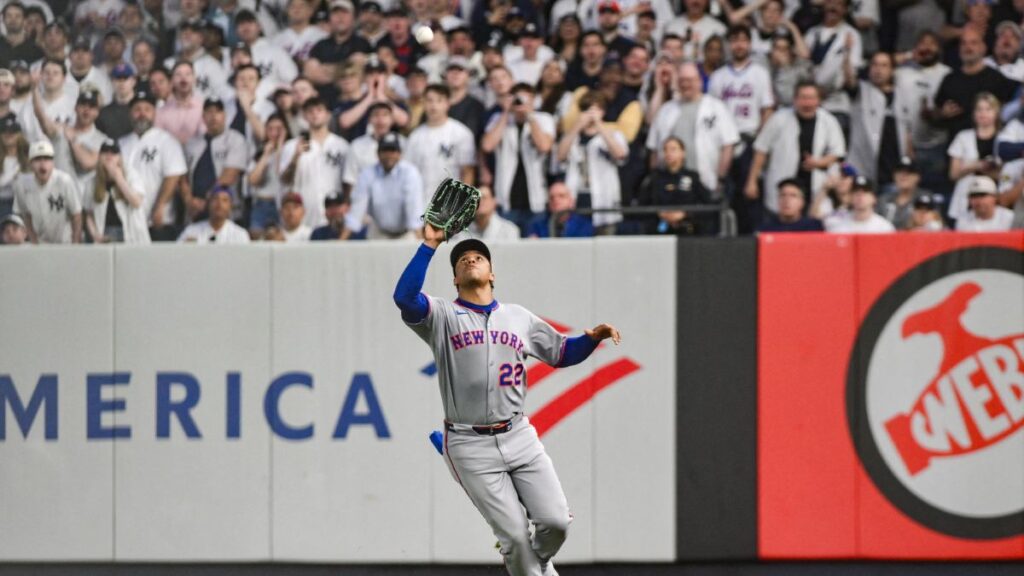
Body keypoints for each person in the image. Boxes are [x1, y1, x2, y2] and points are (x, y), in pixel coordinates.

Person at [393, 228, 621, 576]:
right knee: (514, 538)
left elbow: (561, 352)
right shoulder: (441, 316)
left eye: (479, 257)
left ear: (492, 273)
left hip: (518, 434)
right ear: (455, 279)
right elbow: (405, 298)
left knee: (556, 522)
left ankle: (535, 563)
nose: (471, 258)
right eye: (463, 259)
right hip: (469, 443)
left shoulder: (518, 317)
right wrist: (431, 245)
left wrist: (591, 339)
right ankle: (526, 562)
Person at [746, 81, 846, 225]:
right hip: (782, 183)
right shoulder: (779, 118)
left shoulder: (828, 121)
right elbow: (761, 149)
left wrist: (818, 163)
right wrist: (752, 181)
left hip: (815, 188)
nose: (807, 103)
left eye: (811, 98)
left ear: (819, 100)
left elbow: (837, 153)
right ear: (795, 99)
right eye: (803, 98)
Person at [646, 62, 738, 198]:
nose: (686, 84)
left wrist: (720, 178)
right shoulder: (666, 109)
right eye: (682, 80)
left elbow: (728, 146)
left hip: (705, 183)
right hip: (670, 185)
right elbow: (654, 148)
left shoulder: (716, 107)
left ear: (700, 81)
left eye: (690, 80)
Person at [482, 82, 556, 234]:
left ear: (534, 100)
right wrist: (506, 113)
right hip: (507, 199)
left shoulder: (543, 119)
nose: (520, 103)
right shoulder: (499, 119)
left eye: (525, 99)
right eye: (517, 99)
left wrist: (530, 115)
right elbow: (487, 145)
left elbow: (544, 146)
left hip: (536, 200)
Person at [119, 89, 188, 241]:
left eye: (147, 109)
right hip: (128, 221)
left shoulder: (166, 141)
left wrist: (160, 206)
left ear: (154, 113)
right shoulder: (122, 143)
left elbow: (173, 176)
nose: (142, 114)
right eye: (137, 109)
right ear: (130, 113)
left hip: (158, 221)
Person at [557, 90, 628, 234]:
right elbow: (560, 156)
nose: (590, 114)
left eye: (595, 109)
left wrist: (599, 125)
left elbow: (620, 154)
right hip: (577, 198)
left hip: (604, 199)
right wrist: (577, 126)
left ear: (603, 111)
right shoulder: (572, 137)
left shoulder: (613, 134)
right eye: (586, 109)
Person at [280, 96, 350, 228]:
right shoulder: (292, 146)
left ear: (328, 115)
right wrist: (296, 156)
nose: (315, 114)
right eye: (310, 111)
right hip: (304, 214)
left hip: (334, 213)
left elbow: (348, 183)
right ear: (305, 116)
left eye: (319, 110)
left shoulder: (342, 146)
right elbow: (284, 180)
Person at [345, 132, 424, 239]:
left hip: (406, 234)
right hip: (378, 232)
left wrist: (422, 246)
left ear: (399, 154)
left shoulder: (410, 173)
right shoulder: (368, 173)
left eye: (392, 151)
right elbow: (356, 211)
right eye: (385, 151)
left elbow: (414, 210)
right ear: (377, 154)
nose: (389, 155)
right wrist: (341, 241)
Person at [406, 84, 476, 203]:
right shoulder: (415, 137)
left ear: (448, 104)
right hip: (420, 203)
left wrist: (459, 206)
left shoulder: (461, 133)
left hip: (450, 205)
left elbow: (467, 172)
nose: (434, 106)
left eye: (439, 100)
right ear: (423, 103)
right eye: (429, 100)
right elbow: (409, 174)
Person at [182, 97, 248, 223]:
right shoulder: (192, 142)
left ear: (224, 115)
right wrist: (189, 200)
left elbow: (230, 175)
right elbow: (182, 177)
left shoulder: (235, 139)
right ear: (203, 116)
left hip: (225, 211)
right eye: (209, 112)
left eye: (218, 112)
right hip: (195, 211)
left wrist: (207, 201)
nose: (213, 116)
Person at [947, 92, 1002, 223]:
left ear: (996, 113)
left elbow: (1008, 174)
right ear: (974, 113)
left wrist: (989, 170)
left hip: (996, 195)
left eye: (988, 109)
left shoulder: (1005, 138)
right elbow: (953, 174)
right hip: (966, 194)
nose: (983, 113)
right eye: (979, 109)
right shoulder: (963, 137)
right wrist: (976, 166)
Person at [642, 136, 715, 236]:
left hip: (688, 230)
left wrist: (685, 214)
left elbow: (708, 204)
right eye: (665, 149)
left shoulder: (693, 177)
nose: (668, 153)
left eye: (673, 149)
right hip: (659, 228)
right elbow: (643, 204)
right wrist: (660, 213)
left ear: (683, 153)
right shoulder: (655, 178)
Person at [14, 140, 83, 244]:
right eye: (37, 159)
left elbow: (76, 215)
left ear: (53, 162)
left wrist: (75, 243)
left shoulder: (64, 181)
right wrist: (34, 241)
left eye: (47, 159)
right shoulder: (22, 185)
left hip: (65, 243)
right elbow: (25, 215)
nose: (42, 164)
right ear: (30, 163)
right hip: (40, 244)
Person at [84, 139, 151, 244]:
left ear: (119, 157)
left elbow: (137, 202)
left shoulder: (131, 175)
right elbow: (89, 214)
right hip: (105, 232)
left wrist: (118, 178)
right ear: (99, 156)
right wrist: (95, 235)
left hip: (131, 234)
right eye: (105, 152)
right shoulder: (92, 182)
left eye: (114, 152)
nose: (109, 156)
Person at [247, 113, 291, 237]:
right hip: (261, 202)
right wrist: (265, 155)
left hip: (282, 204)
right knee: (256, 239)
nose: (274, 133)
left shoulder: (290, 150)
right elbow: (253, 180)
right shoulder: (259, 153)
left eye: (278, 129)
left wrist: (279, 148)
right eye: (270, 129)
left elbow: (280, 173)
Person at [177, 184, 251, 243]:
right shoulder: (192, 231)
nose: (219, 204)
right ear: (209, 204)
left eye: (224, 200)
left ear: (230, 206)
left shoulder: (240, 234)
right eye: (215, 199)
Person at [823, 176, 896, 233]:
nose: (860, 195)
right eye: (856, 192)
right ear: (850, 197)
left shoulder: (884, 228)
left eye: (865, 192)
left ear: (874, 198)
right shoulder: (839, 226)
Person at [451, 185, 520, 241]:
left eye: (484, 198)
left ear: (494, 202)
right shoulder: (459, 232)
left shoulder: (509, 230)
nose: (480, 202)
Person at [878, 156, 931, 230]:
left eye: (909, 172)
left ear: (917, 177)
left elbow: (936, 225)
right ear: (894, 175)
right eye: (899, 171)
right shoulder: (883, 200)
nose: (903, 176)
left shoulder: (926, 198)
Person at [527, 181, 595, 238]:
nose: (556, 200)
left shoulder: (584, 225)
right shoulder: (537, 225)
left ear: (572, 201)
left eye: (561, 196)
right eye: (551, 197)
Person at [756, 178, 825, 232]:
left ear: (802, 202)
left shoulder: (813, 227)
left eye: (793, 196)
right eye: (783, 195)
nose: (787, 200)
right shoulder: (766, 229)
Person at [97, 63, 137, 139]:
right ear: (112, 82)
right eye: (118, 79)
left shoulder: (142, 110)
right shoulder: (104, 113)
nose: (121, 83)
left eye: (125, 78)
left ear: (133, 81)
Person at [0, 113, 29, 218]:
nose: (9, 134)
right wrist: (14, 174)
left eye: (13, 131)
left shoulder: (29, 156)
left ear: (20, 133)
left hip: (24, 203)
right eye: (4, 131)